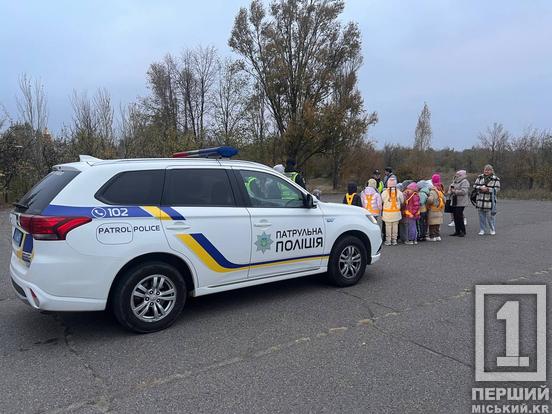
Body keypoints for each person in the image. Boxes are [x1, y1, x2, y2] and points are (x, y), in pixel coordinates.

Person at [474, 164, 501, 235]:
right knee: (481, 216)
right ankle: (482, 229)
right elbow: (474, 186)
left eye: (488, 170)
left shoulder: (496, 179)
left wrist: (488, 189)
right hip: (480, 200)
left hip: (490, 200)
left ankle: (492, 229)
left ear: (492, 171)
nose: (486, 171)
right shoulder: (479, 177)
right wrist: (480, 188)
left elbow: (497, 189)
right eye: (485, 169)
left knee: (490, 217)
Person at [381, 177, 404, 246]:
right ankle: (394, 240)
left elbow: (381, 201)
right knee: (395, 227)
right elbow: (402, 201)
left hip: (387, 213)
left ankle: (388, 241)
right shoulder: (399, 192)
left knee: (388, 227)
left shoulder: (384, 193)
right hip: (396, 213)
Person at [448, 170, 470, 237]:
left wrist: (455, 191)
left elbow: (464, 192)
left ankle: (462, 231)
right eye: (456, 174)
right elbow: (451, 187)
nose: (456, 175)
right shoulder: (455, 181)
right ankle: (457, 231)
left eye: (458, 174)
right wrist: (450, 191)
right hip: (454, 201)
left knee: (459, 216)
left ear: (462, 175)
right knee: (455, 216)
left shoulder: (465, 181)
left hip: (461, 201)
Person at [427, 175, 445, 241]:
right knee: (437, 224)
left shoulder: (432, 191)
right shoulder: (441, 190)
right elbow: (444, 200)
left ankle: (432, 237)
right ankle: (438, 236)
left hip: (433, 210)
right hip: (439, 210)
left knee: (432, 224)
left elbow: (430, 200)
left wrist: (427, 200)